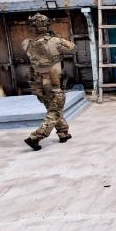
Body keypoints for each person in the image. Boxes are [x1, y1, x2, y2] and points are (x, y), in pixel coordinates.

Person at [21, 13, 76, 151]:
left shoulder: (27, 43)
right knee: (55, 110)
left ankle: (63, 132)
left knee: (53, 107)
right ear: (47, 25)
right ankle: (35, 137)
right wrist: (55, 36)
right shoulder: (55, 41)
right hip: (53, 82)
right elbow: (73, 48)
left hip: (38, 84)